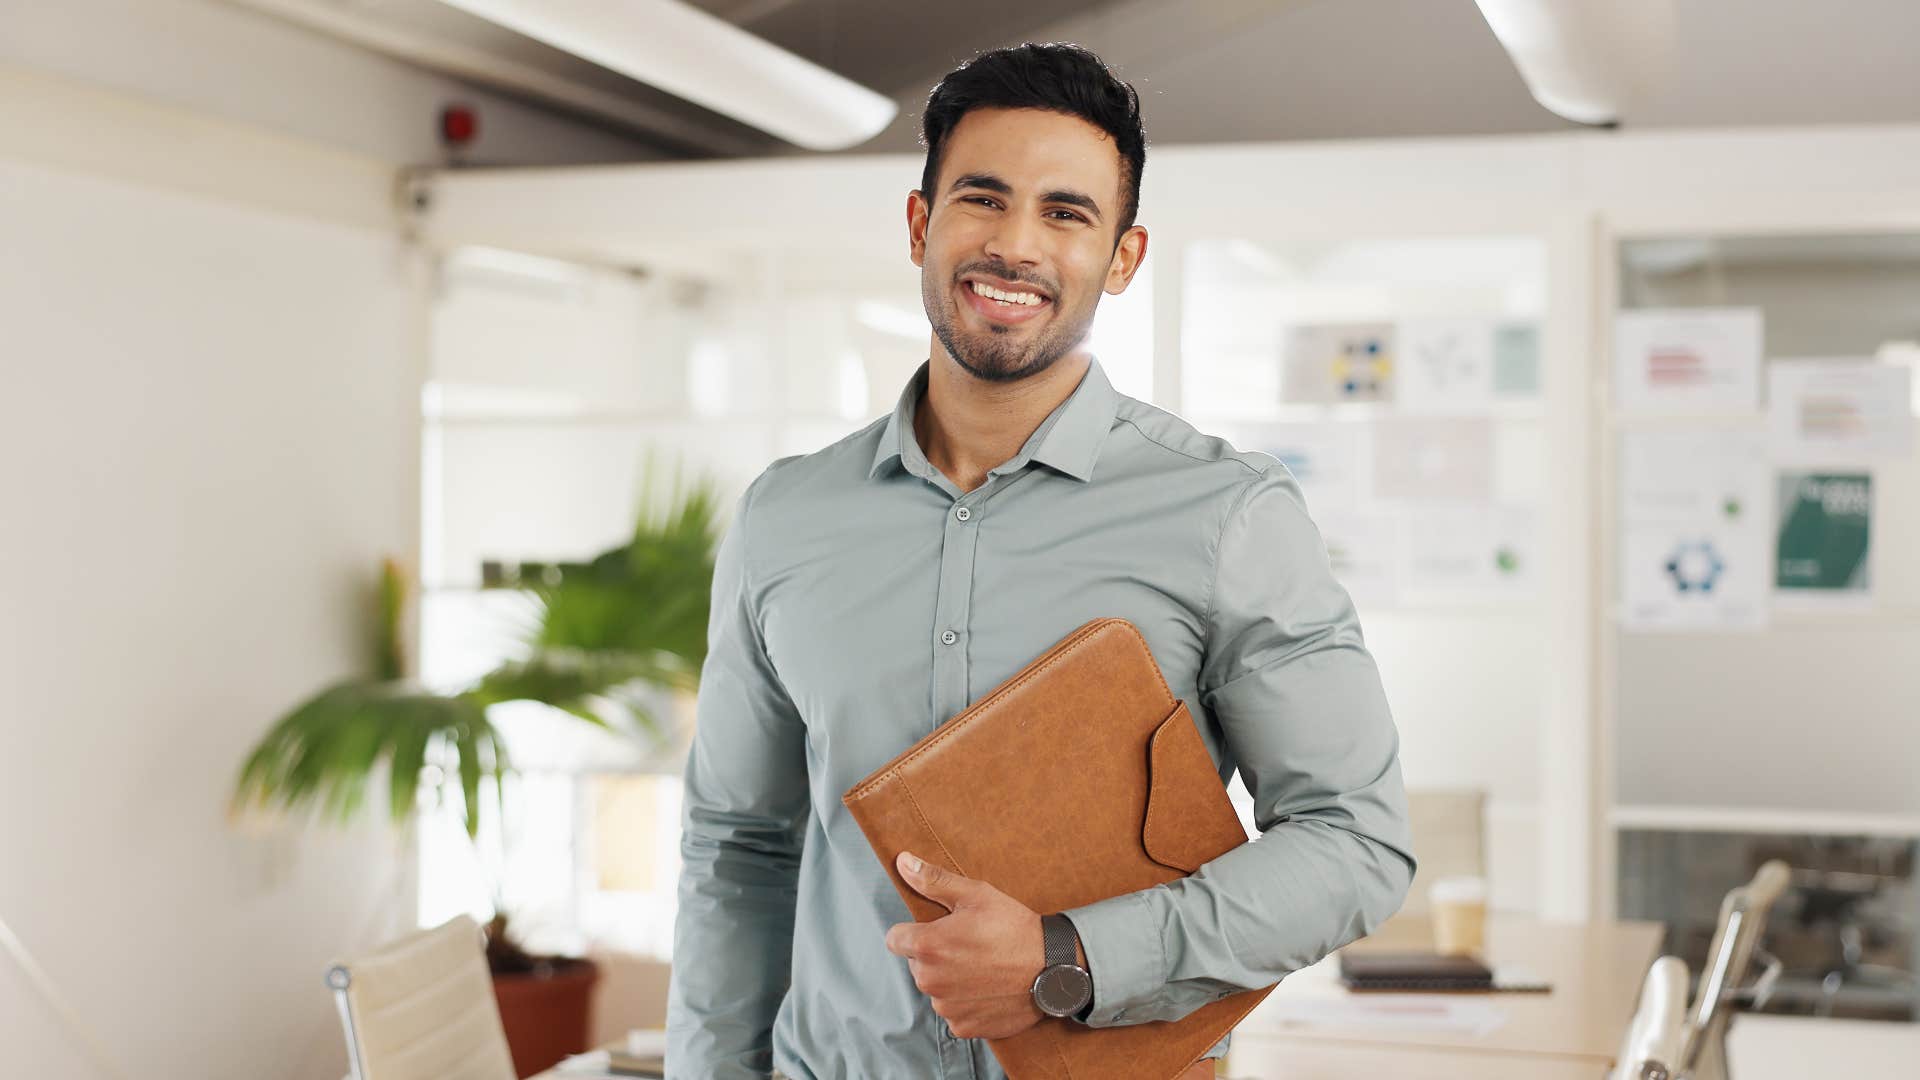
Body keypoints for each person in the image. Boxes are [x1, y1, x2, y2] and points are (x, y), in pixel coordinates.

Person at [666, 42, 1415, 1080]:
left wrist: (1069, 959)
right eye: (983, 199)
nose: (1015, 245)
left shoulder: (1228, 514)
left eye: (1066, 213)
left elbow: (1354, 842)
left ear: (1123, 258)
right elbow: (737, 845)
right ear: (923, 224)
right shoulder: (784, 519)